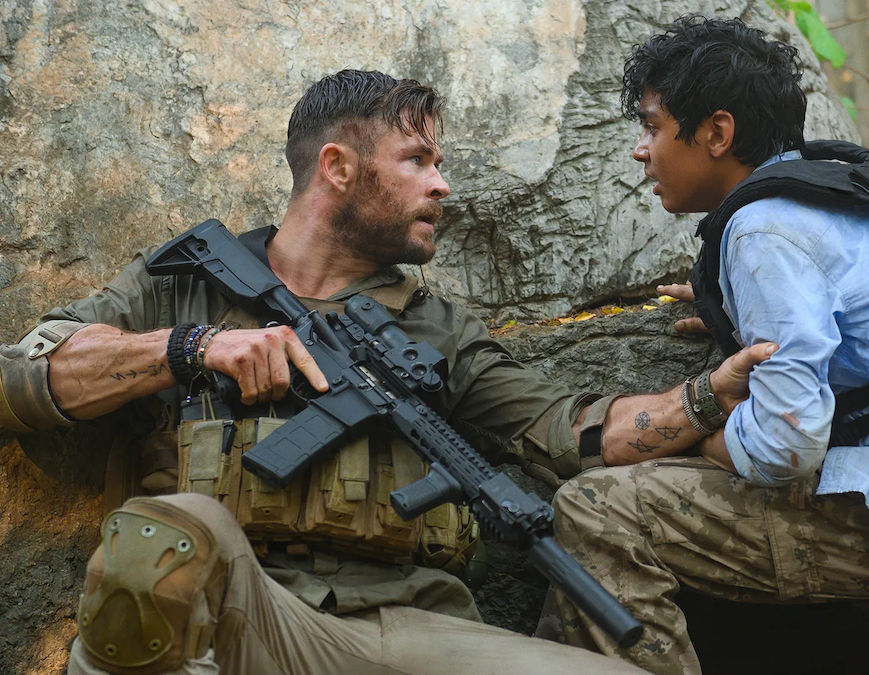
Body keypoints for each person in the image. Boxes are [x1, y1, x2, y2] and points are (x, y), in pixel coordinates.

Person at [0, 69, 773, 674]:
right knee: (163, 539)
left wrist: (708, 395)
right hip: (237, 613)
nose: (442, 184)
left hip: (411, 629)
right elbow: (19, 380)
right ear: (337, 167)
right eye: (417, 160)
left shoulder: (434, 328)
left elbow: (571, 430)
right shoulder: (187, 285)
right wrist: (190, 348)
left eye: (441, 164)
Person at [541, 16, 869, 675]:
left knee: (594, 510)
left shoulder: (764, 230)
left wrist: (700, 438)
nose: (641, 150)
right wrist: (738, 312)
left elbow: (787, 446)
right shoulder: (839, 182)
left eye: (652, 127)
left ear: (717, 133)